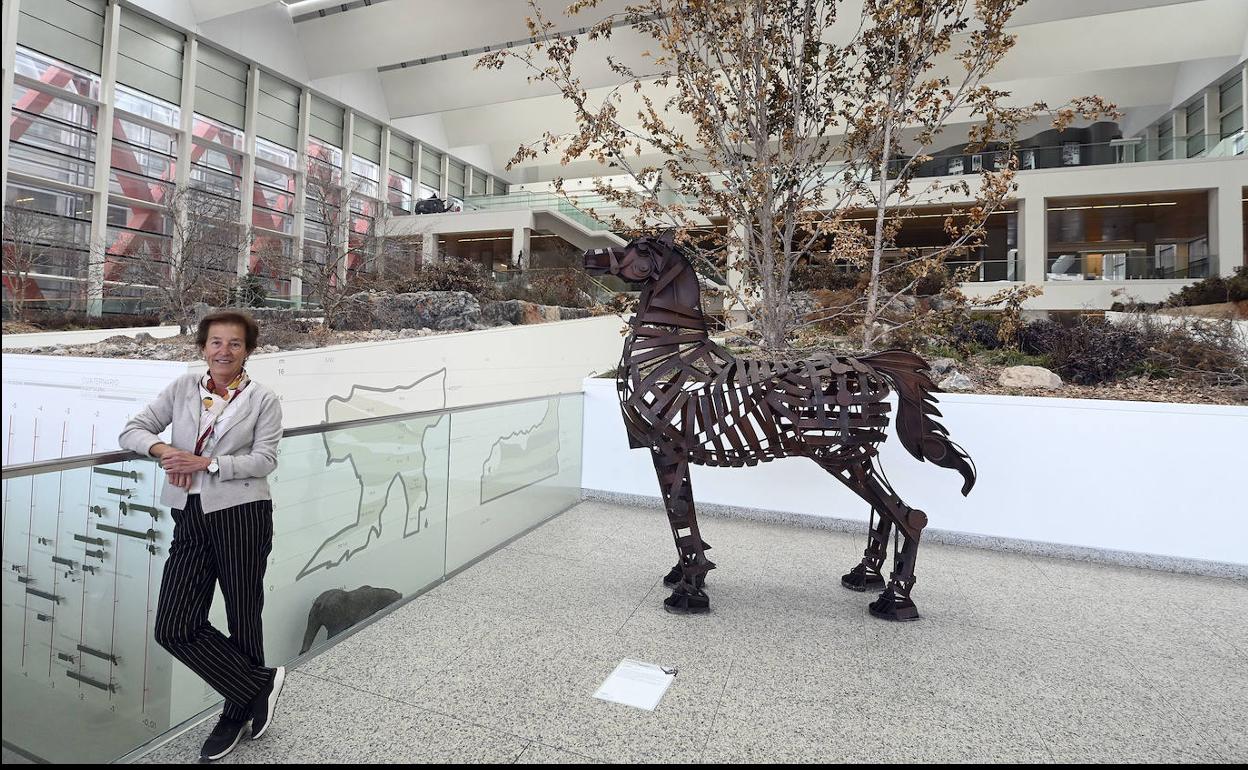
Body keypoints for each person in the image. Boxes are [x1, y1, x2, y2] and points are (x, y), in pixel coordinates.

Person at [119, 310, 285, 762]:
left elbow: (265, 459)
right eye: (215, 343)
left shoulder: (263, 399)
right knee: (173, 625)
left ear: (248, 350)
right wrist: (168, 450)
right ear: (203, 348)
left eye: (234, 343)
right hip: (190, 515)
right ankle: (257, 684)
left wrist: (208, 464)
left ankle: (235, 711)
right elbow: (132, 430)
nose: (224, 351)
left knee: (243, 613)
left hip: (242, 513)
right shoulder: (181, 389)